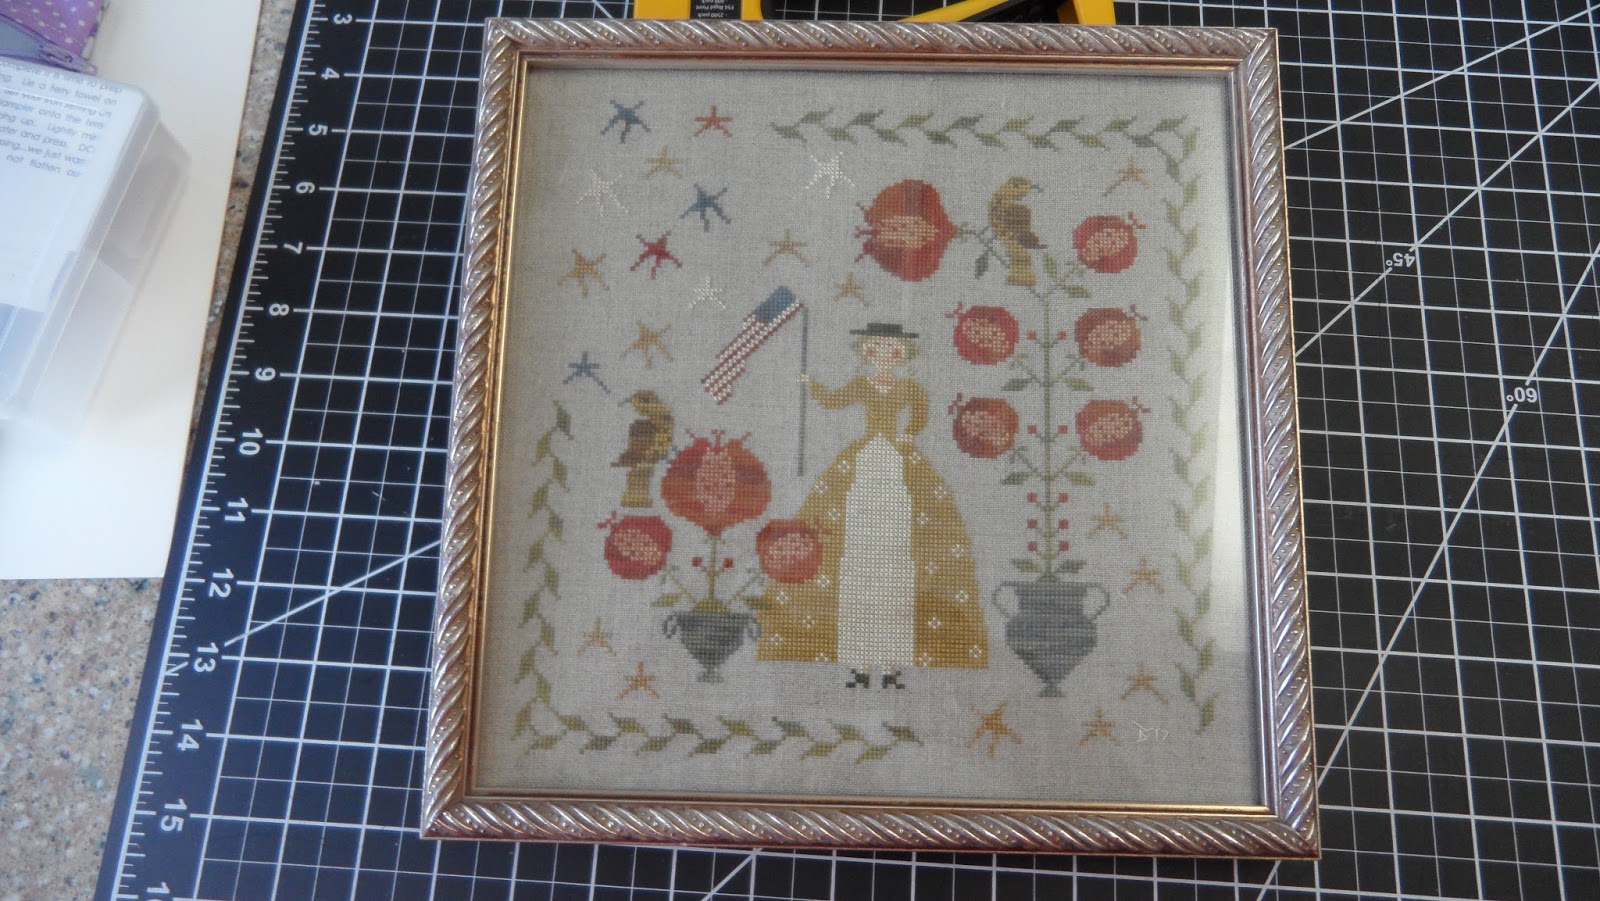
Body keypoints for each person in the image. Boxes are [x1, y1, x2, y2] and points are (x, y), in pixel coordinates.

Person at [756, 323, 988, 688]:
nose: (884, 356)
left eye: (892, 351)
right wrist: (810, 384)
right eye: (877, 349)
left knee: (898, 557)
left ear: (902, 355)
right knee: (857, 553)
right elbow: (834, 401)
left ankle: (893, 663)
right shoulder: (862, 385)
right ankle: (861, 663)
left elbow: (921, 412)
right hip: (866, 460)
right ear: (867, 352)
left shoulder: (909, 387)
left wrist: (909, 433)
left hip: (897, 459)